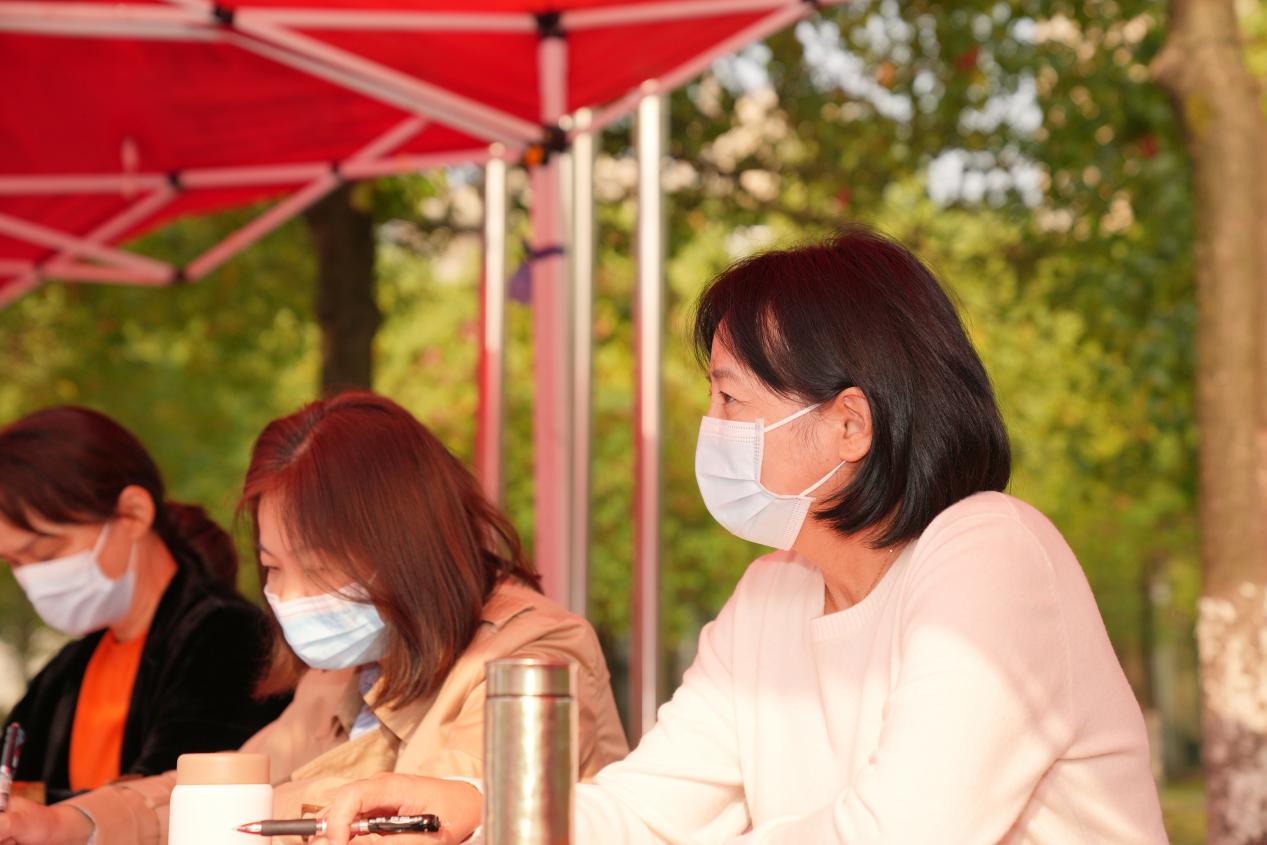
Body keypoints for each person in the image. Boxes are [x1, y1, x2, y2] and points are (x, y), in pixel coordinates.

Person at [315, 228, 1169, 844]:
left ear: (848, 424)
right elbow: (646, 813)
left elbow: (899, 830)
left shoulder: (991, 552)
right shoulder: (771, 595)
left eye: (730, 398)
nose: (709, 426)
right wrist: (473, 807)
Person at [0, 392, 628, 845]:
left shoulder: (534, 652)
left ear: (407, 545)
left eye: (320, 567)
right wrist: (72, 822)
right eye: (273, 569)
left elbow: (442, 809)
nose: (293, 598)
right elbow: (223, 784)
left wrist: (237, 815)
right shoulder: (343, 672)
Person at [0, 406, 285, 808]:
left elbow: (177, 800)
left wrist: (46, 813)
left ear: (134, 513)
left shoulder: (228, 640)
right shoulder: (67, 670)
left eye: (46, 554)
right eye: (14, 563)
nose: (32, 578)